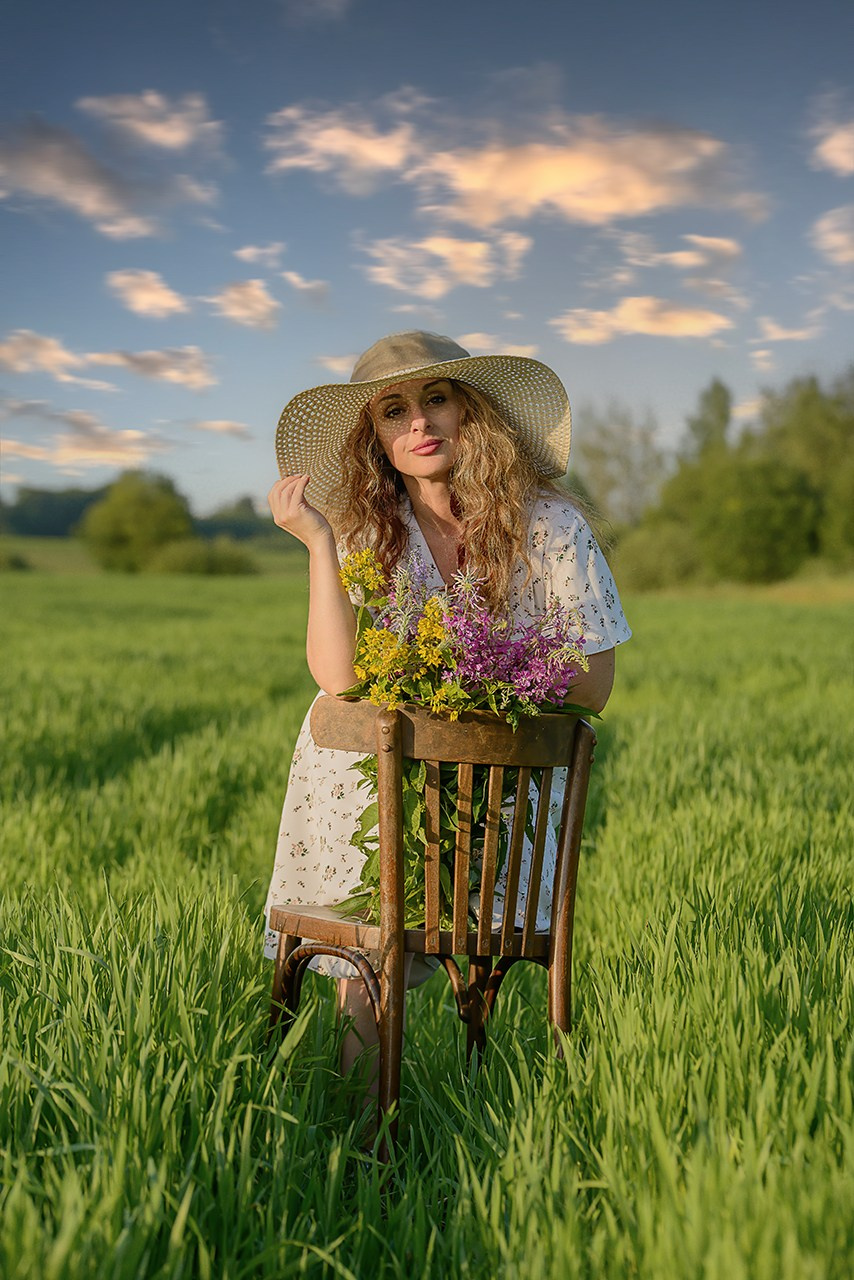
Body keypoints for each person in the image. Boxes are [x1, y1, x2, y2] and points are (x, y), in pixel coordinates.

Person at [265, 330, 631, 1086]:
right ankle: (362, 1135)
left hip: (499, 804)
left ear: (474, 413)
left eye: (437, 399)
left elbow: (594, 683)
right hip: (381, 792)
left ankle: (402, 1112)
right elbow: (338, 677)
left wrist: (477, 680)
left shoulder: (551, 527)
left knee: (395, 929)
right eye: (394, 410)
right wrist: (318, 543)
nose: (420, 423)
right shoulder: (375, 533)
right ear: (377, 437)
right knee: (371, 938)